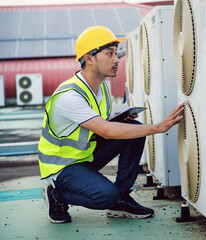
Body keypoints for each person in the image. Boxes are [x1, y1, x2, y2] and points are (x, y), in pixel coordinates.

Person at [38, 26, 184, 224]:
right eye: (110, 54)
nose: (117, 59)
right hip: (62, 167)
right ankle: (56, 194)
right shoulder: (69, 96)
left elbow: (99, 127)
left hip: (86, 155)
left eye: (116, 53)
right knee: (105, 196)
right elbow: (105, 131)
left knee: (135, 131)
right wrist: (158, 127)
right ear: (89, 58)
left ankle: (121, 197)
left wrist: (121, 123)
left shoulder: (101, 88)